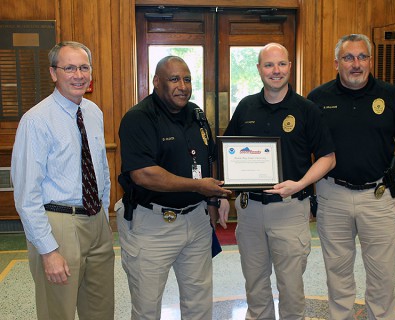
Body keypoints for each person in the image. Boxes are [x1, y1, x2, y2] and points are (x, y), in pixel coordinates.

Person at [307, 33, 395, 320]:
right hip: (333, 197)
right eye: (348, 58)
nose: (356, 64)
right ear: (336, 63)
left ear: (370, 60)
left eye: (362, 57)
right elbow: (303, 150)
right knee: (338, 277)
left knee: (382, 279)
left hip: (378, 198)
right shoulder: (318, 99)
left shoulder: (390, 95)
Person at [224, 43, 336, 319]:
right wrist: (224, 195)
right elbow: (228, 154)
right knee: (255, 285)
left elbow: (328, 158)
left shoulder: (307, 109)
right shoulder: (246, 107)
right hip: (249, 211)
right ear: (259, 69)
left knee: (291, 289)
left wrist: (299, 185)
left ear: (289, 66)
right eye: (269, 65)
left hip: (289, 208)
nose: (276, 71)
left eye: (281, 64)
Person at [117, 55, 231, 320]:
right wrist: (199, 186)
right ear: (157, 82)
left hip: (196, 220)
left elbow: (210, 159)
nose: (183, 85)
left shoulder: (197, 114)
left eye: (187, 79)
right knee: (147, 308)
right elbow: (144, 175)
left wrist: (214, 200)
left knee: (199, 304)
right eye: (174, 79)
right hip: (152, 224)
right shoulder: (138, 118)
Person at [11, 41, 114, 320]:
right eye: (69, 68)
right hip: (58, 224)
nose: (78, 74)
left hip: (96, 223)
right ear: (54, 73)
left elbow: (100, 167)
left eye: (84, 67)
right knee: (58, 312)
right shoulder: (36, 120)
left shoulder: (94, 113)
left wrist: (103, 214)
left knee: (101, 310)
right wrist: (48, 251)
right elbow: (26, 195)